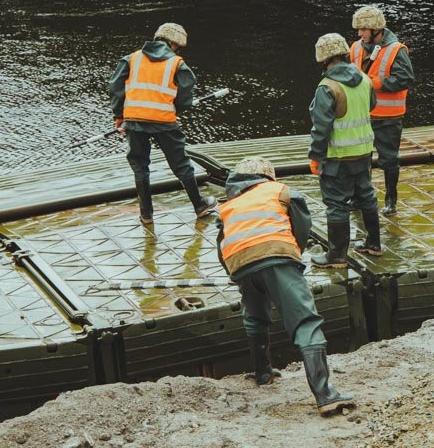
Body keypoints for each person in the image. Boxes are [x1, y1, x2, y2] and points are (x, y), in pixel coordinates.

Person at [215, 156, 357, 416]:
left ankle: (263, 374)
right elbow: (301, 229)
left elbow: (221, 244)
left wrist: (236, 273)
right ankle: (325, 395)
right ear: (268, 175)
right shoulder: (281, 191)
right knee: (306, 322)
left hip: (239, 263)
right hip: (276, 256)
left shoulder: (228, 205)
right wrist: (292, 257)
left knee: (255, 317)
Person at [108, 22, 217, 224]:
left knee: (140, 166)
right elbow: (185, 93)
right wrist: (176, 108)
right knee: (181, 164)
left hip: (134, 120)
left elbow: (115, 86)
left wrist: (119, 115)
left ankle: (146, 215)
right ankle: (200, 206)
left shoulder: (132, 59)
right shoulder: (177, 64)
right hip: (164, 122)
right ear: (174, 43)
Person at [308, 32, 381, 267]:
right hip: (364, 151)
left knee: (337, 205)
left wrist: (315, 156)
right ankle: (374, 244)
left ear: (322, 58)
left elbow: (321, 127)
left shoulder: (327, 87)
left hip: (337, 157)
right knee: (366, 196)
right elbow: (371, 105)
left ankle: (337, 255)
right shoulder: (364, 78)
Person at [349, 5, 415, 215]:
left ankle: (391, 200)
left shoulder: (396, 50)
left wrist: (379, 83)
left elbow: (406, 79)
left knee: (389, 160)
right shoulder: (356, 48)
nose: (359, 34)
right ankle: (360, 198)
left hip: (388, 117)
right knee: (360, 158)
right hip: (362, 115)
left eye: (363, 29)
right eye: (358, 29)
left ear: (375, 29)